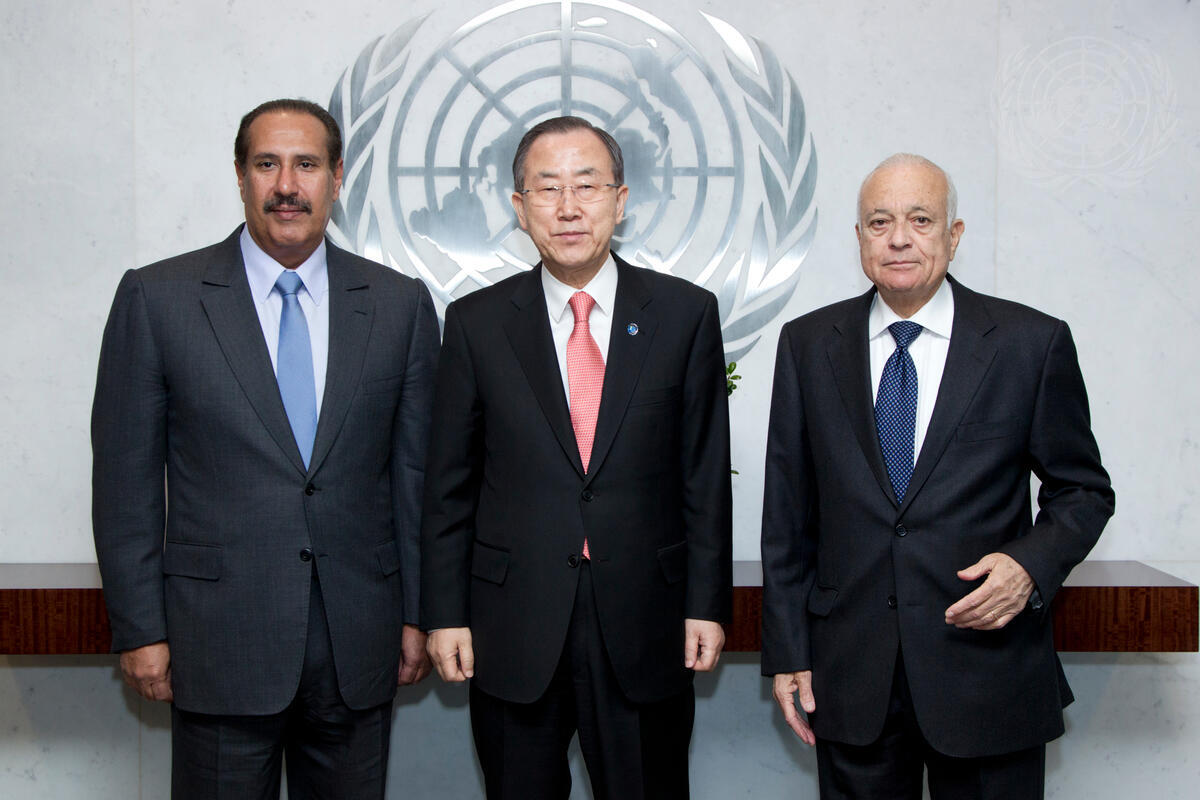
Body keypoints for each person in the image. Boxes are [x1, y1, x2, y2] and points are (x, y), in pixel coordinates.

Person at [91, 98, 439, 798]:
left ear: (337, 178)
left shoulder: (399, 304)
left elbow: (415, 476)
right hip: (217, 643)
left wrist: (417, 614)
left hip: (358, 641)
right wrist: (139, 629)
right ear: (240, 176)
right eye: (266, 164)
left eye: (306, 164)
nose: (287, 185)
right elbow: (125, 483)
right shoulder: (158, 299)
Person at [761, 153, 1114, 799]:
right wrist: (788, 652)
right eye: (880, 222)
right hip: (851, 675)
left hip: (987, 670)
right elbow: (788, 515)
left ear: (954, 235)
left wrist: (1029, 565)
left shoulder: (1029, 343)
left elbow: (1084, 490)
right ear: (860, 238)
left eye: (920, 220)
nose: (899, 238)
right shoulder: (807, 345)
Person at [420, 116, 732, 800]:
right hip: (512, 623)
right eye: (547, 188)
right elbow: (449, 487)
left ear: (620, 202)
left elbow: (704, 477)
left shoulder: (684, 315)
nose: (568, 208)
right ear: (519, 207)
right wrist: (444, 613)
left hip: (646, 620)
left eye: (587, 186)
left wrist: (707, 604)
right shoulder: (475, 324)